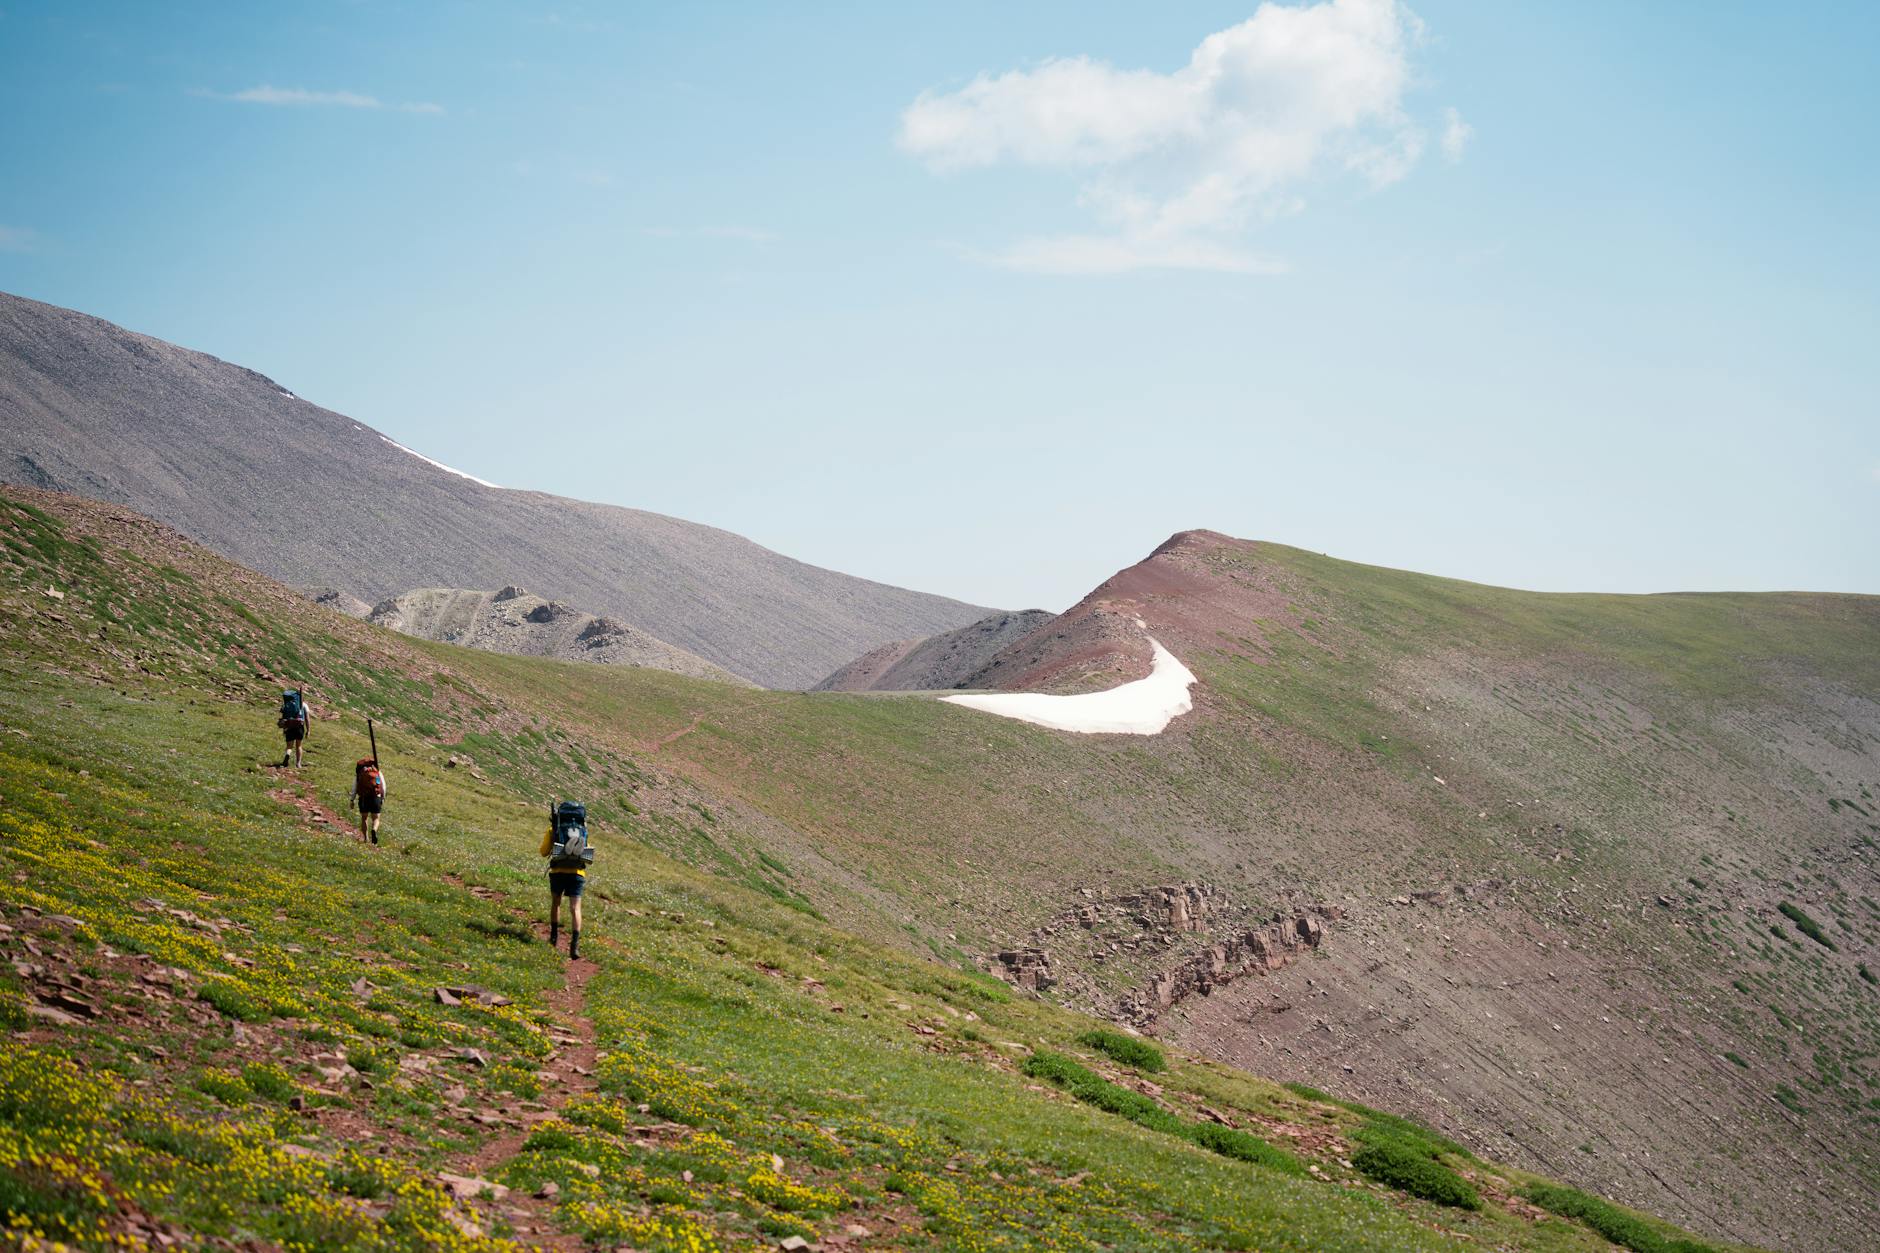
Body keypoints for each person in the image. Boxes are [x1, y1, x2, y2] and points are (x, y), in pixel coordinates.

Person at [539, 801, 593, 959]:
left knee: (556, 903)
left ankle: (554, 938)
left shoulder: (554, 829)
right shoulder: (583, 829)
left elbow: (543, 852)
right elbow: (587, 850)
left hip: (558, 871)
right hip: (577, 872)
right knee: (575, 908)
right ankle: (574, 946)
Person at [349, 756, 387, 844]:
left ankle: (366, 838)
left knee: (364, 818)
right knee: (376, 819)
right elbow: (383, 786)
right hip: (376, 797)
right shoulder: (377, 772)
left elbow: (354, 788)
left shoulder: (360, 773)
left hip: (363, 798)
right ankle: (374, 830)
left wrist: (352, 800)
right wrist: (382, 797)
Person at [276, 689, 310, 768]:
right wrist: (308, 730)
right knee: (299, 746)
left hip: (289, 726)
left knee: (289, 746)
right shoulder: (304, 705)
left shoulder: (286, 704)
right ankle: (298, 763)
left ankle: (287, 756)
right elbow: (307, 719)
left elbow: (284, 716)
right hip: (299, 727)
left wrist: (284, 728)